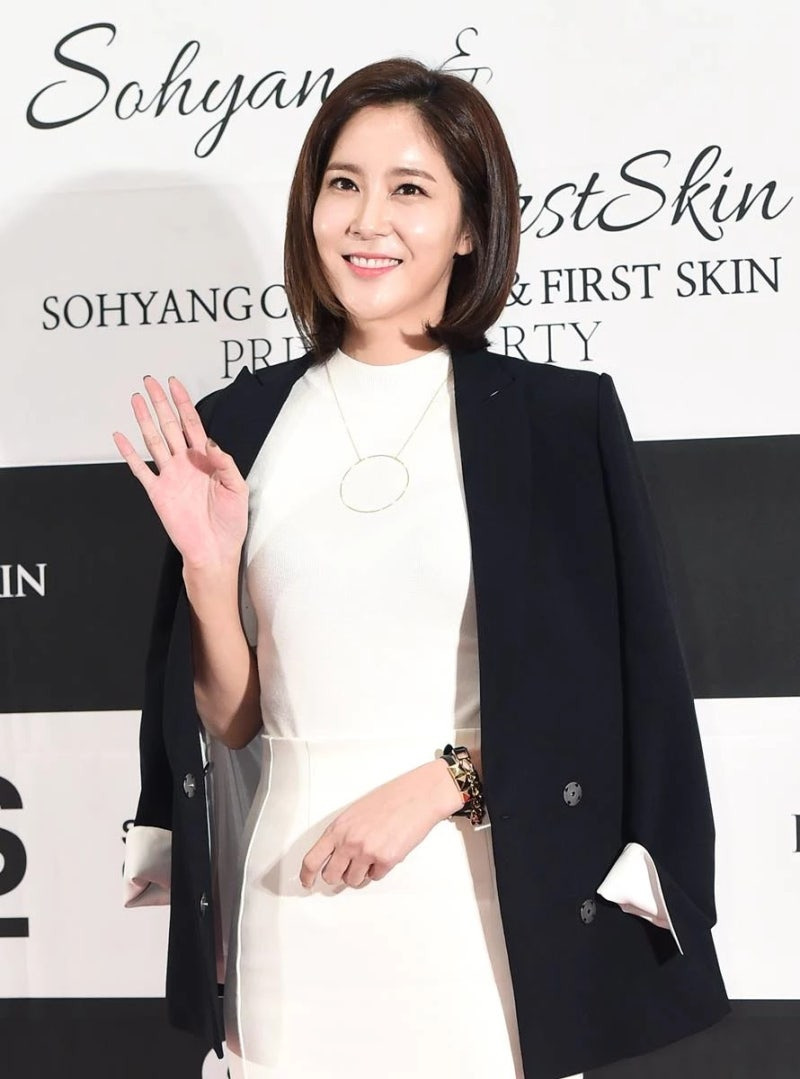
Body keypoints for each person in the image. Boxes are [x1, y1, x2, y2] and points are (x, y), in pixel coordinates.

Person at [116, 58, 730, 1079]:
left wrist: (448, 779)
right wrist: (210, 574)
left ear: (470, 226)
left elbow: (619, 699)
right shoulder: (238, 425)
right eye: (343, 183)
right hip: (290, 910)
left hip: (485, 907)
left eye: (409, 188)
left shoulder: (557, 420)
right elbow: (235, 722)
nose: (368, 220)